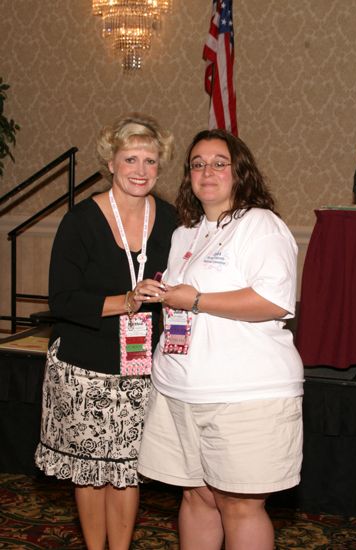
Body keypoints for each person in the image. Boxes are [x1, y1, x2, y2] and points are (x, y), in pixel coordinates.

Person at [137, 128, 304, 550]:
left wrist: (196, 299)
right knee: (196, 496)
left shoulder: (261, 225)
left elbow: (272, 300)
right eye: (197, 164)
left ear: (239, 172)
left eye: (218, 162)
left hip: (245, 393)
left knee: (239, 504)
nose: (206, 171)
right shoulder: (184, 234)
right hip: (180, 390)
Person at [34, 113, 176, 550]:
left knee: (126, 471)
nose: (140, 170)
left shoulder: (172, 219)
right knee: (92, 472)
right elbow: (62, 300)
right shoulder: (81, 220)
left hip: (142, 371)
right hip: (84, 368)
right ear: (110, 163)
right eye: (130, 158)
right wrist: (126, 301)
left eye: (150, 161)